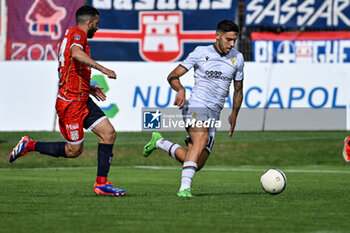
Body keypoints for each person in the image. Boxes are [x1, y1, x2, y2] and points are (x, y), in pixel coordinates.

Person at [9, 6, 125, 196]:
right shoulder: (78, 35)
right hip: (70, 104)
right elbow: (76, 54)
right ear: (89, 23)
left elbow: (68, 68)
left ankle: (101, 184)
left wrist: (88, 88)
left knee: (109, 133)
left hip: (81, 99)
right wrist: (103, 70)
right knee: (74, 151)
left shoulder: (72, 35)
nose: (97, 28)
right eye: (96, 24)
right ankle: (29, 144)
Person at [142, 19, 244, 197]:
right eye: (228, 39)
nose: (231, 44)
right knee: (201, 138)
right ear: (217, 36)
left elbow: (238, 90)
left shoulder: (238, 58)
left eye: (234, 40)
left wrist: (234, 113)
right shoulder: (200, 52)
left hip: (215, 112)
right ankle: (184, 188)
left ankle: (159, 142)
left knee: (196, 162)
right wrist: (180, 89)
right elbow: (173, 75)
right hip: (196, 104)